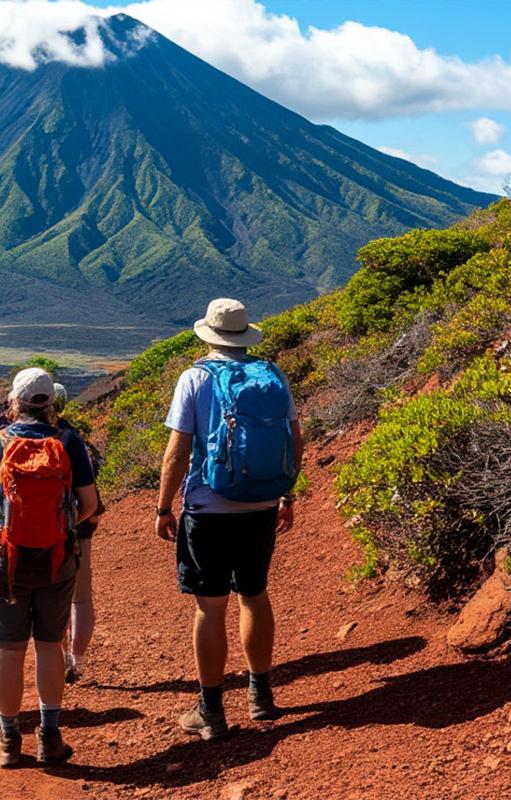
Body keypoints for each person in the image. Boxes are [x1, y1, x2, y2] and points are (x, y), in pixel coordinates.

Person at [153, 298, 303, 740]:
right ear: (245, 335)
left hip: (208, 508)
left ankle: (211, 710)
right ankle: (261, 696)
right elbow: (295, 439)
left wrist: (163, 507)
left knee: (210, 606)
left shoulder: (195, 377)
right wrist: (285, 493)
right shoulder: (272, 374)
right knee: (254, 594)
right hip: (261, 504)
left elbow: (177, 452)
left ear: (210, 335)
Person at [0, 368, 98, 768]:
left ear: (15, 401)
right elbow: (90, 505)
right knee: (48, 645)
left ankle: (9, 740)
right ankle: (50, 737)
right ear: (50, 403)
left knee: (9, 649)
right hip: (56, 560)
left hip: (6, 563)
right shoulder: (70, 443)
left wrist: (0, 528)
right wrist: (61, 528)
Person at [50, 383, 104, 684]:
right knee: (80, 599)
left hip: (34, 536)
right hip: (76, 530)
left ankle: (55, 660)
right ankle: (76, 662)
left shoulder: (17, 436)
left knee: (49, 601)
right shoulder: (72, 439)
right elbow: (92, 504)